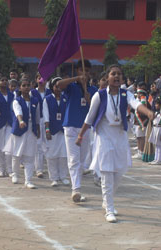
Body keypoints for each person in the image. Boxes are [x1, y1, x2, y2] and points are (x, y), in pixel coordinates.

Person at [76, 64, 153, 223]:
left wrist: (148, 112)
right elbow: (89, 118)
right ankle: (109, 208)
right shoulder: (100, 95)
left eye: (119, 74)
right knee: (107, 172)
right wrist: (80, 135)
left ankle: (107, 200)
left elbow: (136, 105)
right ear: (108, 77)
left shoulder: (126, 94)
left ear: (122, 79)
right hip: (104, 135)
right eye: (113, 74)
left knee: (119, 172)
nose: (116, 76)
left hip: (120, 135)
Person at [56, 59, 98, 202]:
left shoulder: (93, 90)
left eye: (87, 71)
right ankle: (76, 189)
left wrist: (90, 99)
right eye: (81, 70)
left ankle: (77, 185)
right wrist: (77, 79)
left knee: (81, 160)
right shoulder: (71, 86)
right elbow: (58, 85)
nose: (84, 73)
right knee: (73, 159)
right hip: (71, 127)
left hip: (86, 128)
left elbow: (97, 109)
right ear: (77, 71)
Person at [3, 78, 40, 189]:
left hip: (31, 130)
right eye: (24, 85)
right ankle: (15, 174)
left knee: (30, 155)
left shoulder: (35, 101)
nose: (26, 87)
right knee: (17, 154)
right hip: (19, 130)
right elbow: (18, 112)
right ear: (20, 87)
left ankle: (28, 180)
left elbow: (37, 117)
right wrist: (21, 121)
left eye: (28, 85)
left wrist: (38, 129)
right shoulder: (16, 100)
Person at [43, 77, 70, 187]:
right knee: (51, 155)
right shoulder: (47, 99)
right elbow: (45, 116)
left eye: (60, 86)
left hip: (63, 130)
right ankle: (53, 178)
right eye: (56, 86)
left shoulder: (66, 98)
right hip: (52, 130)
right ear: (52, 87)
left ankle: (63, 176)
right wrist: (47, 130)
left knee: (64, 155)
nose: (58, 88)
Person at [30, 72, 52, 178]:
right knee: (38, 144)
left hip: (48, 121)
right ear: (36, 80)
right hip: (38, 121)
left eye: (44, 78)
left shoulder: (50, 92)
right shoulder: (32, 92)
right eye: (39, 78)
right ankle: (39, 169)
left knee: (48, 145)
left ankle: (50, 168)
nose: (41, 80)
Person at [148, 98, 161, 165]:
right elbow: (151, 119)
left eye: (157, 104)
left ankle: (159, 160)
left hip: (160, 128)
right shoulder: (156, 112)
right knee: (156, 145)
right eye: (155, 104)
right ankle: (155, 158)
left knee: (160, 145)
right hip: (155, 128)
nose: (156, 105)